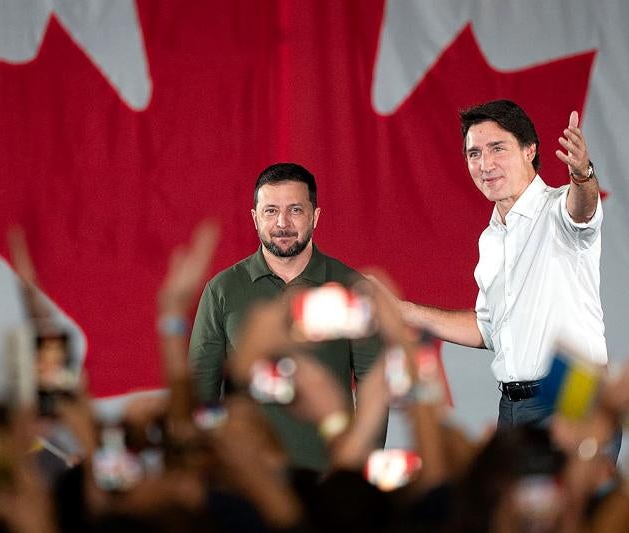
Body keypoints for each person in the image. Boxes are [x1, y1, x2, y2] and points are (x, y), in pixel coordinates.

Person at [396, 99, 606, 431]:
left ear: (529, 151)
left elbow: (582, 209)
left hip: (571, 401)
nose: (486, 163)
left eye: (497, 148)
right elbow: (487, 330)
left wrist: (583, 175)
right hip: (512, 407)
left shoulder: (558, 209)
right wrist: (404, 312)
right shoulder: (490, 239)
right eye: (474, 153)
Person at [188, 162, 382, 473]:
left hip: (330, 478)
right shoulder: (221, 290)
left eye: (295, 210)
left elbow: (375, 387)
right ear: (254, 218)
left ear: (315, 216)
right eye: (270, 211)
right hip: (249, 483)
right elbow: (200, 392)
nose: (282, 223)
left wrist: (359, 475)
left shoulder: (351, 287)